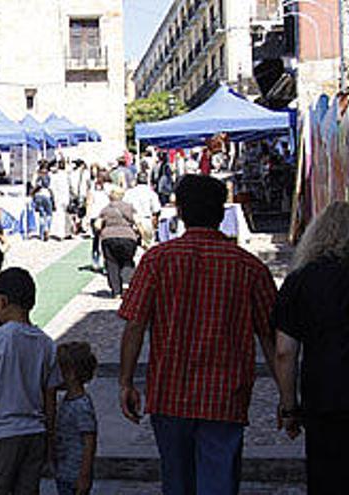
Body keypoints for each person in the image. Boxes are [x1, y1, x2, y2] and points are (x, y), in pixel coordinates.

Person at [118, 175, 278, 495]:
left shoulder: (156, 261)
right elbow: (271, 337)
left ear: (180, 212)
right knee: (219, 484)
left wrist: (125, 381)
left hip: (169, 392)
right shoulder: (249, 267)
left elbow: (134, 324)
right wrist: (287, 395)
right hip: (225, 396)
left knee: (176, 482)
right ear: (221, 214)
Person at [271, 201, 349, 493]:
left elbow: (284, 352)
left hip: (325, 395)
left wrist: (289, 406)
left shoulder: (301, 281)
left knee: (328, 476)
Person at [0, 267, 61, 495]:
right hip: (34, 432)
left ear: (2, 301)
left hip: (1, 433)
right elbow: (50, 396)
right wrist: (49, 436)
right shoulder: (47, 344)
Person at [53, 342, 98, 495]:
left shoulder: (81, 405)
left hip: (75, 474)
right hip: (65, 471)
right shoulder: (68, 400)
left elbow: (89, 440)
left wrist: (84, 475)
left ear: (70, 374)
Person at [97, 188, 138, 298]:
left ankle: (116, 292)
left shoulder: (106, 209)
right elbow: (137, 221)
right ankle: (128, 284)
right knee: (127, 261)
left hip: (109, 237)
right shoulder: (129, 207)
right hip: (128, 237)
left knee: (111, 263)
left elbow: (97, 224)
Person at [123, 173, 161, 250]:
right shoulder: (151, 193)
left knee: (134, 247)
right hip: (146, 220)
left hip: (133, 222)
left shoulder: (129, 193)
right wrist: (155, 224)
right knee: (149, 247)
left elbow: (124, 207)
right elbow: (156, 210)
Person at [86, 173, 111, 270]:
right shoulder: (108, 191)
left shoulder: (94, 191)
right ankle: (103, 260)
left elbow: (89, 204)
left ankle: (96, 260)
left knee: (96, 239)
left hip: (96, 216)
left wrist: (87, 218)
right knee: (103, 239)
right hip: (103, 216)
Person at [51, 160, 72, 240]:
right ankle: (68, 232)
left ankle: (60, 234)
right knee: (67, 215)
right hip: (66, 197)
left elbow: (52, 188)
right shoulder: (67, 175)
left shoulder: (55, 176)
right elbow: (71, 186)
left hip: (58, 198)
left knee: (60, 216)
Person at [32, 164, 54, 240]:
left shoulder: (36, 176)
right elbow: (51, 188)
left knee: (41, 215)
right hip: (46, 195)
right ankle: (47, 229)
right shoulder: (48, 176)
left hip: (37, 196)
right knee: (49, 214)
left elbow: (33, 186)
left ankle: (41, 234)